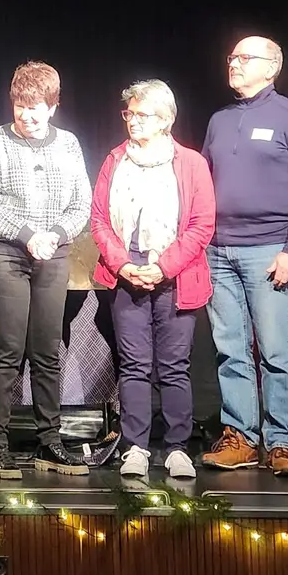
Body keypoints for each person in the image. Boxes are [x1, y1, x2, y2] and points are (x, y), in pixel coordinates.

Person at [199, 37, 288, 478]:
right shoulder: (219, 120)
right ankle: (241, 437)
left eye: (244, 58)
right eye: (231, 56)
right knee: (230, 350)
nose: (233, 63)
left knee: (274, 350)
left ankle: (283, 442)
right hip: (218, 251)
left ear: (272, 67)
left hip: (270, 251)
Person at [0, 61, 92, 479]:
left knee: (46, 350)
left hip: (53, 252)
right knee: (6, 348)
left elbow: (81, 205)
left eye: (35, 107)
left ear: (53, 106)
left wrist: (54, 234)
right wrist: (27, 235)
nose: (26, 115)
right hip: (2, 250)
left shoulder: (69, 145)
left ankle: (49, 441)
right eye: (20, 106)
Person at [90, 80, 216, 480]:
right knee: (134, 365)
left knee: (175, 366)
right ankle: (136, 447)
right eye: (129, 114)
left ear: (165, 120)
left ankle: (177, 447)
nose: (133, 121)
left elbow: (201, 224)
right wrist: (124, 265)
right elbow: (99, 221)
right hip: (127, 271)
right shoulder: (115, 160)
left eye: (142, 115)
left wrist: (164, 267)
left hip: (175, 272)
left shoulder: (191, 163)